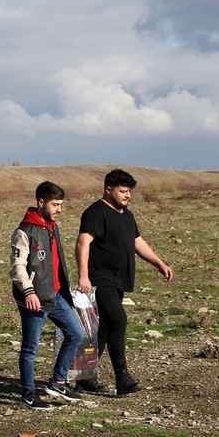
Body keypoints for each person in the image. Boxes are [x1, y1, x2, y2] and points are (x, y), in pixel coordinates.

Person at [76, 169, 173, 396]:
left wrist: (159, 263)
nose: (127, 195)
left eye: (129, 191)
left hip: (119, 280)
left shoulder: (126, 215)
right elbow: (83, 243)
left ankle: (84, 377)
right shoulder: (96, 212)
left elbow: (138, 243)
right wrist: (83, 276)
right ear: (108, 189)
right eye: (122, 191)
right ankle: (123, 377)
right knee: (118, 320)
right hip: (100, 279)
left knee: (104, 328)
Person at [10, 182, 84, 409]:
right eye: (55, 204)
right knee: (30, 347)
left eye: (61, 204)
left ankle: (58, 382)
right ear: (41, 202)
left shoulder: (52, 227)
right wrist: (29, 292)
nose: (59, 209)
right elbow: (17, 267)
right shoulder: (24, 231)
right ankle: (28, 394)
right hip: (33, 299)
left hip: (57, 295)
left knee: (75, 334)